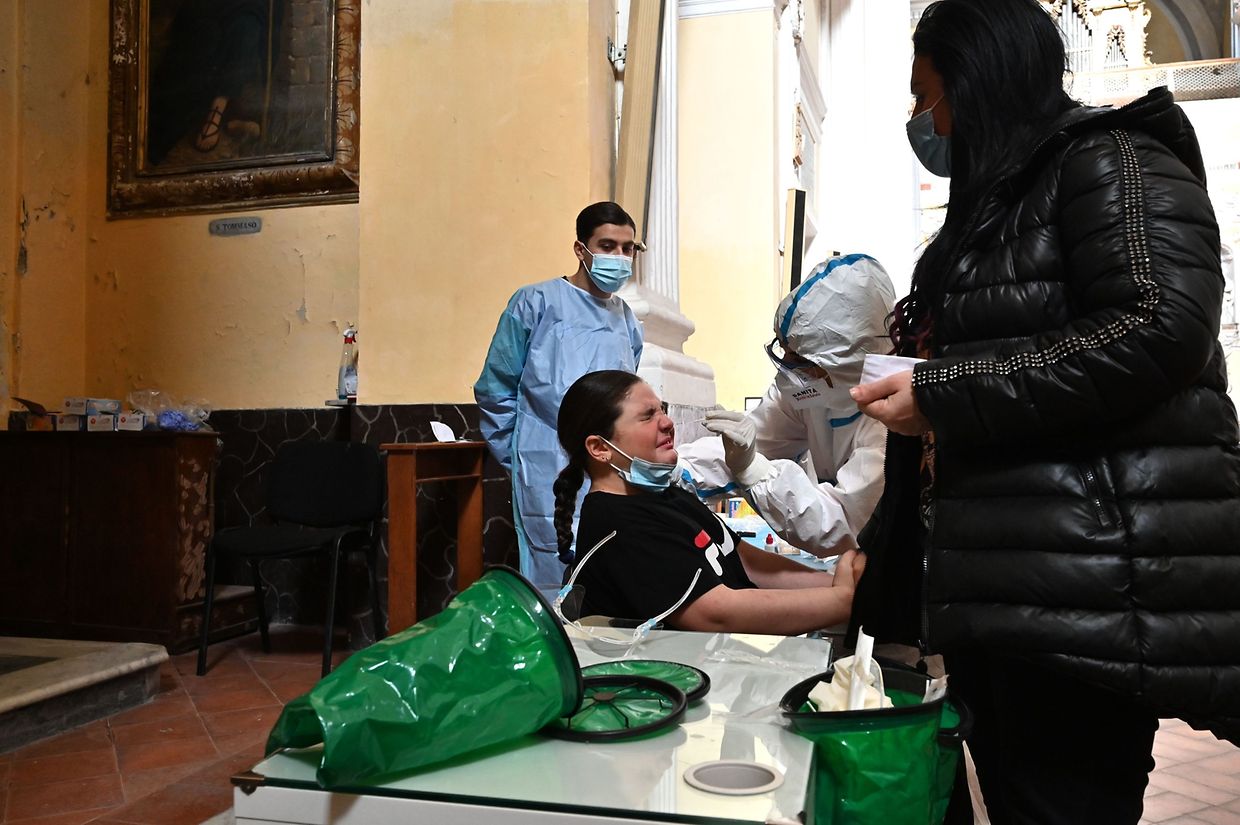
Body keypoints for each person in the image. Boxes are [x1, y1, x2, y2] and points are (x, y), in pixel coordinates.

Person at [848, 1, 1240, 822]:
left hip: (1089, 594)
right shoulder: (1001, 206)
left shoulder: (1113, 162)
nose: (924, 121)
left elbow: (1156, 325)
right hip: (1015, 586)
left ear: (977, 81)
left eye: (928, 96)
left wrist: (942, 389)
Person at [553, 370, 864, 634]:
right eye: (648, 416)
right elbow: (716, 613)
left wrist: (837, 583)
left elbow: (747, 562)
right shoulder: (617, 525)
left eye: (662, 410)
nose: (666, 423)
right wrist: (843, 601)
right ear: (599, 448)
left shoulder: (667, 495)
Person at [475, 203, 645, 589]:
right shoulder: (535, 304)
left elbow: (625, 397)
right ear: (580, 249)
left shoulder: (627, 322)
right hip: (544, 464)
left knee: (607, 567)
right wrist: (518, 456)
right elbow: (496, 387)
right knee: (551, 568)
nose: (618, 257)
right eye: (607, 245)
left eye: (627, 248)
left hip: (608, 468)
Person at [677, 254, 894, 556]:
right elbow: (751, 441)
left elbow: (843, 523)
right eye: (784, 351)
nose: (788, 369)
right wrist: (675, 469)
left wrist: (753, 469)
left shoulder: (892, 419)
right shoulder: (811, 391)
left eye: (801, 360)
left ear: (848, 362)